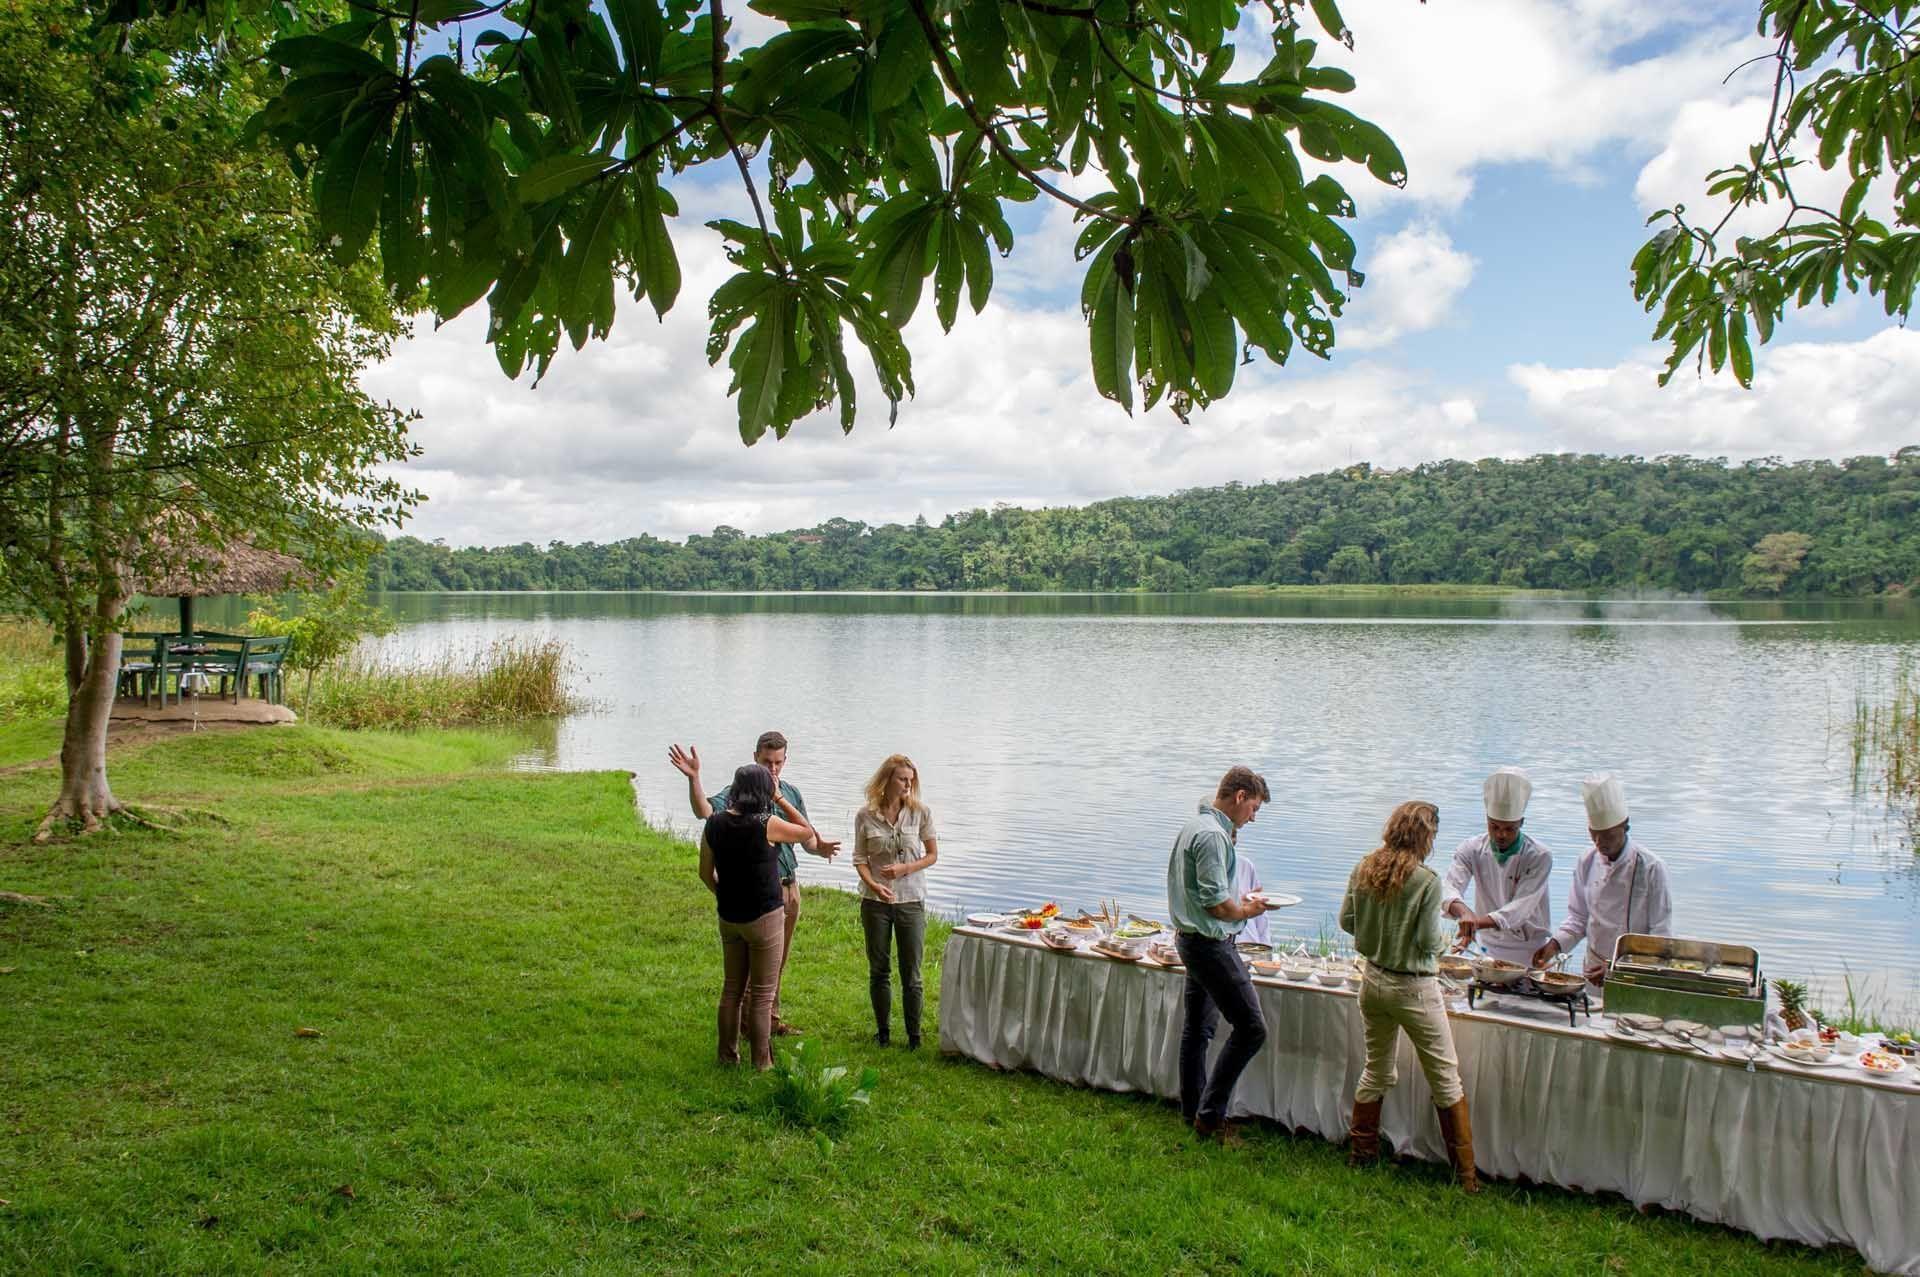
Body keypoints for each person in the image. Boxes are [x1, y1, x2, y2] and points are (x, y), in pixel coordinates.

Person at [1339, 801, 1477, 1192]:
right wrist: (1450, 941)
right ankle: (1466, 1177)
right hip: (1414, 989)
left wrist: (1377, 933)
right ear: (1426, 837)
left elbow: (1347, 921)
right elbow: (1427, 941)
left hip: (1373, 982)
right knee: (1445, 1076)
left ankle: (1361, 1154)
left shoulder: (1364, 866)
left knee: (1377, 1069)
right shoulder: (1426, 882)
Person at [670, 732, 834, 1035]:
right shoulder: (738, 793)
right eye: (766, 762)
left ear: (785, 761)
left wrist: (818, 848)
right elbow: (704, 812)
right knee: (747, 972)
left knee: (777, 963)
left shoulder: (791, 793)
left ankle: (770, 1022)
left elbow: (806, 836)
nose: (773, 769)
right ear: (755, 756)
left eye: (778, 763)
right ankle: (750, 1028)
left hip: (788, 888)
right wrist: (694, 778)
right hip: (757, 895)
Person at [698, 764, 834, 1069]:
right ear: (764, 792)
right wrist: (782, 799)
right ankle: (761, 1062)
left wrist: (724, 896)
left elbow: (705, 873)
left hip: (729, 917)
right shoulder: (766, 823)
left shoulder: (714, 824)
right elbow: (806, 832)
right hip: (765, 916)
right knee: (762, 994)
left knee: (731, 988)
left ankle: (727, 1055)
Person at [1167, 765, 1274, 1142]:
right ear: (1240, 796)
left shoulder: (1195, 826)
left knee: (1198, 1029)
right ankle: (1210, 1117)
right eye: (1254, 808)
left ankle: (1193, 1110)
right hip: (1210, 944)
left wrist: (1239, 903)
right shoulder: (1212, 836)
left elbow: (1209, 895)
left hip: (1191, 938)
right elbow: (1215, 906)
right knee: (1251, 1029)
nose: (1254, 817)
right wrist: (1248, 911)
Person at [1531, 774, 1673, 985]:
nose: (1599, 843)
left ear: (1625, 826)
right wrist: (1553, 946)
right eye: (1594, 834)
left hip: (1635, 971)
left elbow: (1660, 936)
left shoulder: (1651, 868)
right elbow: (1578, 918)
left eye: (1607, 835)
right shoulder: (1586, 861)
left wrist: (1618, 968)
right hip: (1593, 966)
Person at [852, 754, 939, 1049]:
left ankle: (914, 1037)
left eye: (911, 780)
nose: (908, 785)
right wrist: (874, 885)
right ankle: (883, 1033)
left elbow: (932, 855)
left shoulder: (921, 813)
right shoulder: (865, 815)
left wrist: (904, 869)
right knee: (879, 969)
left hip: (910, 900)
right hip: (875, 903)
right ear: (887, 779)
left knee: (911, 973)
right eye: (903, 779)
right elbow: (860, 859)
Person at [1441, 765, 1553, 967]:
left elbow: (1520, 909)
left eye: (1509, 829)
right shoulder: (1471, 849)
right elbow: (1450, 887)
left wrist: (1475, 923)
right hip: (1487, 945)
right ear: (1486, 820)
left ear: (1521, 823)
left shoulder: (1538, 856)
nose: (1501, 835)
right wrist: (1464, 913)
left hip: (1528, 950)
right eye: (1494, 827)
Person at [1233, 854, 1272, 947]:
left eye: (1234, 838)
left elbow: (1261, 917)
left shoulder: (1244, 864)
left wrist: (1265, 945)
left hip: (1251, 945)